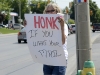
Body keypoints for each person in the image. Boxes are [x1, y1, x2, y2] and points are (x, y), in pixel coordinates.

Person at [24, 2, 68, 75]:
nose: (50, 13)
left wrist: (62, 26)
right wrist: (28, 26)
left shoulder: (63, 25)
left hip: (59, 60)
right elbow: (35, 37)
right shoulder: (43, 26)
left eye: (52, 10)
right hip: (47, 60)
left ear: (57, 12)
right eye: (47, 11)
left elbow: (62, 42)